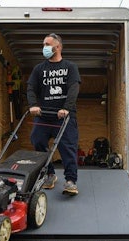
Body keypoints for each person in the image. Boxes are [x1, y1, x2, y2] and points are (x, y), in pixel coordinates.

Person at [26, 33, 81, 196]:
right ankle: (49, 175)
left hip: (63, 117)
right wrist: (33, 105)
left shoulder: (70, 67)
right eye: (43, 44)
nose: (44, 47)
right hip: (43, 115)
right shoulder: (39, 69)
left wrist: (66, 108)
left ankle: (71, 181)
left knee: (67, 147)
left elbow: (73, 88)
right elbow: (30, 88)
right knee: (37, 140)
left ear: (58, 47)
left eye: (47, 44)